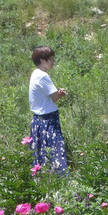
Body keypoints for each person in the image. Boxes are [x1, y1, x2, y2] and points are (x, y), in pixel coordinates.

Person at [28, 46, 68, 175]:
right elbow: (54, 98)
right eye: (49, 58)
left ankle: (42, 178)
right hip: (48, 119)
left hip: (37, 119)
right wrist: (60, 94)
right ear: (42, 60)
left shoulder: (35, 74)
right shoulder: (43, 76)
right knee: (55, 149)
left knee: (41, 151)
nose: (52, 61)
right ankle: (60, 177)